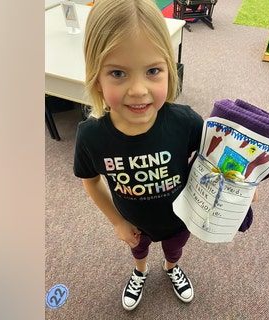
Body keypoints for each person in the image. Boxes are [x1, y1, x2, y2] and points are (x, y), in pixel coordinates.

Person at [73, 0, 203, 311]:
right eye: (118, 73)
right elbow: (90, 182)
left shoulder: (185, 122)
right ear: (97, 77)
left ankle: (171, 269)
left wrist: (237, 189)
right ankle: (140, 271)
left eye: (153, 71)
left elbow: (215, 160)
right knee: (138, 250)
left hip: (179, 218)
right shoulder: (91, 135)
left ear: (168, 70)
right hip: (133, 221)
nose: (138, 89)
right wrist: (117, 222)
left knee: (174, 250)